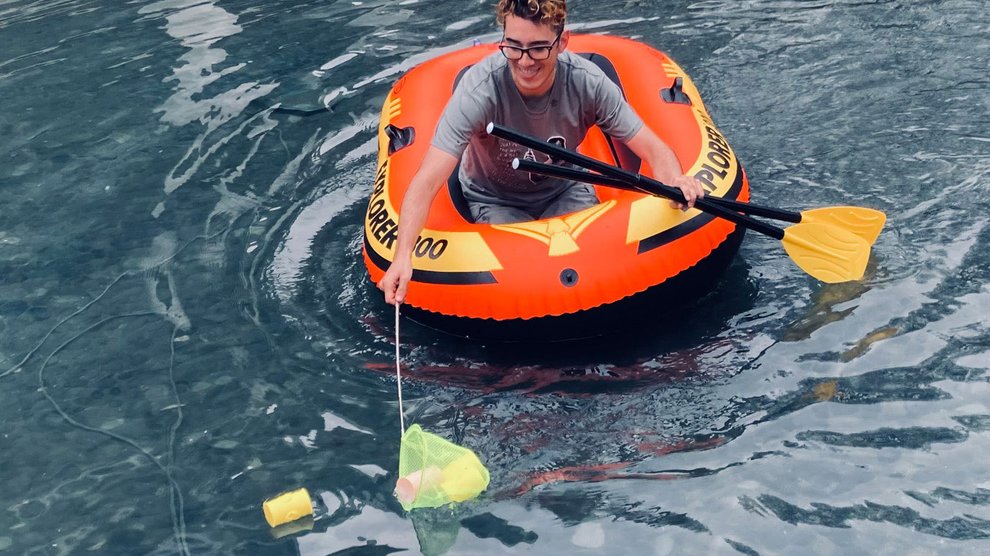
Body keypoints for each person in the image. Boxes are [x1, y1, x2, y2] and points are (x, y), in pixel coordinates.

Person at [378, 0, 704, 305]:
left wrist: (676, 181)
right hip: (494, 198)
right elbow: (426, 180)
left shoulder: (586, 82)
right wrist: (404, 255)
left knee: (597, 274)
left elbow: (651, 147)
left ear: (562, 43)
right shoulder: (479, 91)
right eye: (513, 47)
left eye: (537, 48)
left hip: (566, 188)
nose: (524, 61)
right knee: (520, 287)